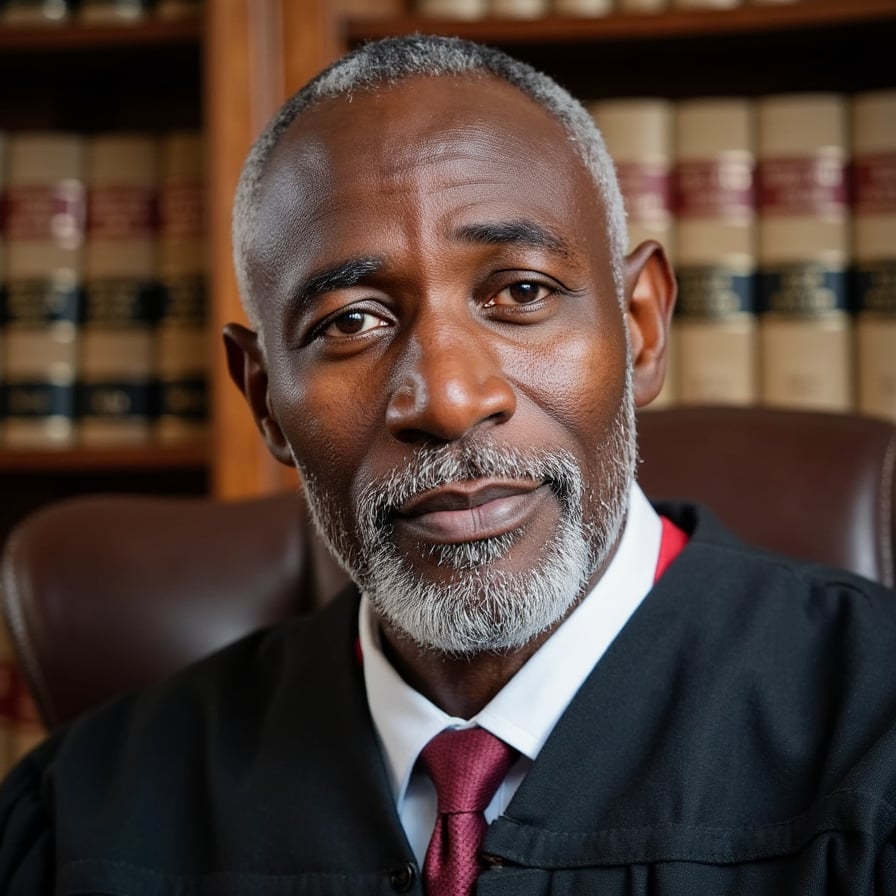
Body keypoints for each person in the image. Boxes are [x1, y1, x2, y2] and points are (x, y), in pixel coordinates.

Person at [1, 34, 895, 895]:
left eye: (521, 293)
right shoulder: (84, 818)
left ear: (641, 327)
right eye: (351, 321)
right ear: (264, 397)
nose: (448, 399)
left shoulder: (875, 733)